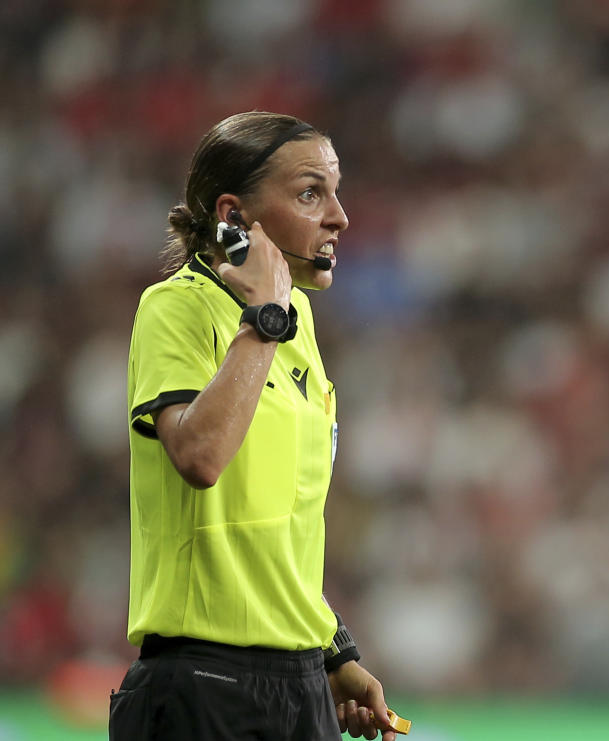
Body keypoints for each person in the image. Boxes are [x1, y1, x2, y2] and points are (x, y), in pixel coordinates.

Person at [111, 111, 398, 741]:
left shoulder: (294, 321)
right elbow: (201, 457)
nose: (338, 217)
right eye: (308, 193)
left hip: (299, 687)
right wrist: (262, 318)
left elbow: (275, 530)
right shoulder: (178, 307)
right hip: (201, 688)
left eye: (335, 191)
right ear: (234, 216)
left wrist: (332, 650)